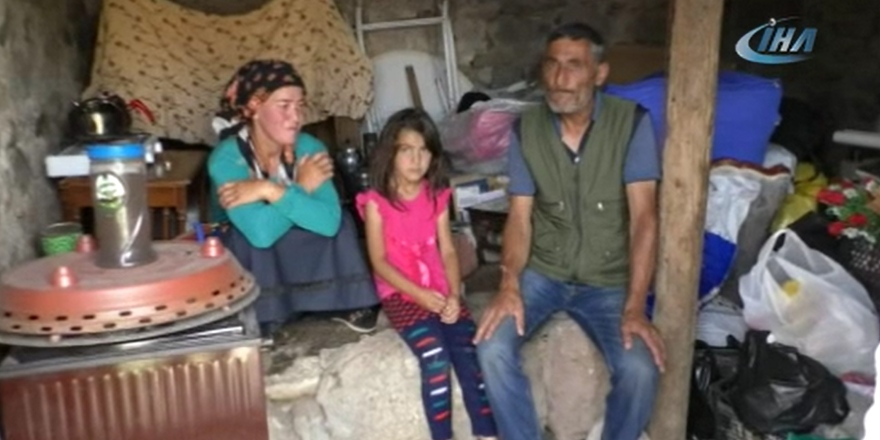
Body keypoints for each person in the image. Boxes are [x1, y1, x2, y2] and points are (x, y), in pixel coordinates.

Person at [473, 23, 666, 440]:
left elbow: (644, 219)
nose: (559, 78)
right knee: (491, 347)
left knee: (640, 369)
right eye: (552, 65)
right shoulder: (527, 130)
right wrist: (509, 284)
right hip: (544, 274)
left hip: (608, 281)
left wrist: (635, 306)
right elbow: (519, 217)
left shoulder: (630, 123)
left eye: (574, 66)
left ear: (599, 74)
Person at [208, 59, 379, 336]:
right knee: (245, 236)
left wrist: (268, 190)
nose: (296, 117)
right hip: (257, 252)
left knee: (341, 222)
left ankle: (336, 302)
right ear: (254, 108)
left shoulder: (310, 147)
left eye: (300, 106)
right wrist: (301, 187)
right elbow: (260, 234)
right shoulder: (227, 158)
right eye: (284, 106)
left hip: (294, 236)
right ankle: (271, 309)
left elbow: (329, 223)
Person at [356, 108, 497, 440]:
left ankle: (487, 433)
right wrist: (419, 295)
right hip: (401, 294)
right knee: (435, 356)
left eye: (423, 150)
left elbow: (447, 250)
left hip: (440, 289)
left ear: (433, 156)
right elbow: (379, 261)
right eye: (406, 150)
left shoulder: (436, 197)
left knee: (469, 352)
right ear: (390, 154)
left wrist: (453, 294)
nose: (416, 159)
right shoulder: (377, 202)